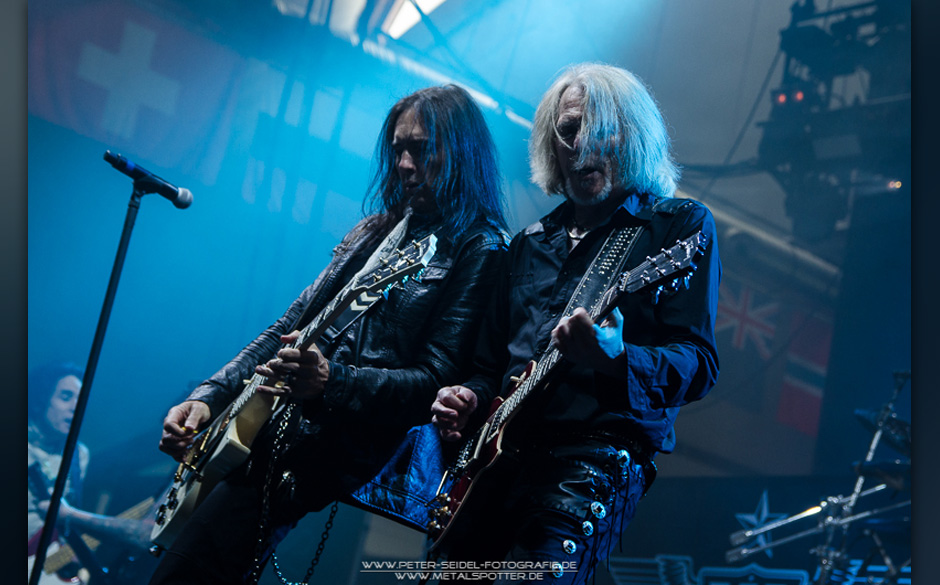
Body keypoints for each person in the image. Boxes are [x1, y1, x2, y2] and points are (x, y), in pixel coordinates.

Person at [149, 84, 508, 585]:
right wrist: (210, 396)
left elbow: (434, 379)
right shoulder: (375, 232)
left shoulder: (481, 248)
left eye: (421, 149)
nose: (404, 164)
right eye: (398, 149)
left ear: (462, 152)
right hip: (264, 433)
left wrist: (331, 382)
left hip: (323, 454)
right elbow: (286, 329)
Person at [430, 63, 721, 583]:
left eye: (600, 127)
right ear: (551, 144)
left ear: (631, 137)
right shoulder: (526, 244)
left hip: (589, 461)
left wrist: (617, 357)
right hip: (494, 464)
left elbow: (698, 363)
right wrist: (469, 396)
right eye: (568, 130)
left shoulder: (677, 227)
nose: (581, 143)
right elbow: (488, 365)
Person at [28, 362, 154, 583]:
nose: (74, 406)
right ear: (41, 400)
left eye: (79, 399)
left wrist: (68, 549)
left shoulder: (78, 454)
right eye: (65, 397)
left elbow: (62, 517)